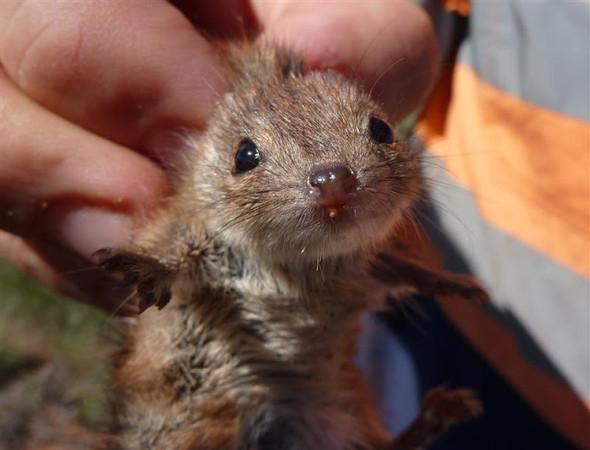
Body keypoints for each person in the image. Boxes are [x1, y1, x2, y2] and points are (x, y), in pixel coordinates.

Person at [0, 1, 587, 449]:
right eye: (250, 161)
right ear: (208, 166)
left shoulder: (366, 233)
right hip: (228, 387)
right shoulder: (207, 216)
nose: (334, 180)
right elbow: (188, 247)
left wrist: (429, 279)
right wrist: (160, 269)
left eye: (378, 133)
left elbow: (369, 264)